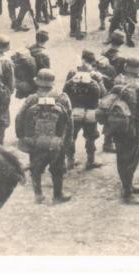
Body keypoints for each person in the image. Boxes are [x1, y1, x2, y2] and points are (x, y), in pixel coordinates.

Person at [15, 69, 73, 204]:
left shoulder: (32, 99)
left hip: (35, 141)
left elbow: (19, 118)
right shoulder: (62, 98)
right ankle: (57, 195)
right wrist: (67, 141)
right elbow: (69, 121)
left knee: (36, 167)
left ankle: (38, 195)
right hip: (56, 140)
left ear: (38, 82)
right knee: (57, 168)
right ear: (52, 83)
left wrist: (22, 137)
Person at [105, 57, 139, 205]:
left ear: (126, 67)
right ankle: (128, 193)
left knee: (121, 157)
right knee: (131, 159)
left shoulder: (118, 80)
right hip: (132, 128)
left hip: (117, 126)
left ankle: (127, 185)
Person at [63, 70, 105, 170]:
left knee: (71, 136)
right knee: (90, 137)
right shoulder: (94, 85)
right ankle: (91, 160)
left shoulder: (69, 84)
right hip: (90, 112)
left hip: (74, 112)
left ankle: (70, 160)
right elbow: (102, 96)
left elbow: (64, 97)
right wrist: (100, 81)